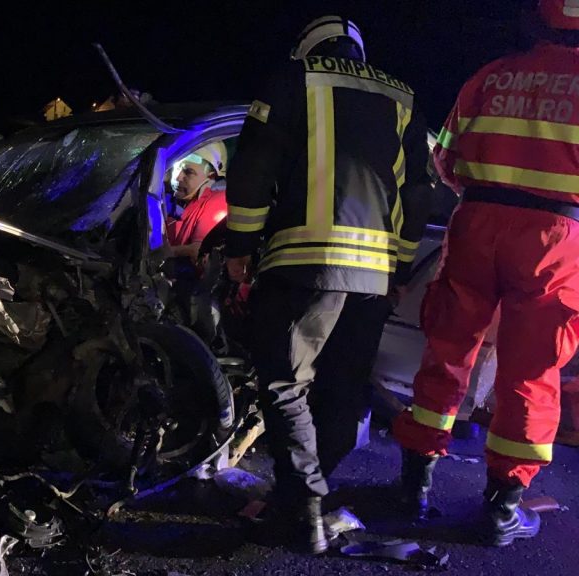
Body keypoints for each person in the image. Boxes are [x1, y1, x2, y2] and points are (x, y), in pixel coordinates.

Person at [224, 16, 431, 553]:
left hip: (303, 262)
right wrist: (401, 269)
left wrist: (240, 246)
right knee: (344, 387)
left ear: (306, 47)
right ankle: (303, 498)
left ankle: (304, 507)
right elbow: (418, 193)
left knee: (284, 385)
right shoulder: (402, 96)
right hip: (374, 274)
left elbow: (254, 166)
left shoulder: (294, 79)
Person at [394, 0, 579, 547]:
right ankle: (502, 511)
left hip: (476, 219)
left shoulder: (492, 74)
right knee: (531, 369)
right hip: (555, 236)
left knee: (448, 347)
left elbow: (445, 161)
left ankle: (413, 486)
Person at [166, 142, 228, 261]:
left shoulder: (217, 201)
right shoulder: (168, 198)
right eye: (177, 167)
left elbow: (197, 251)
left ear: (210, 176)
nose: (178, 177)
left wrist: (157, 254)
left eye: (188, 172)